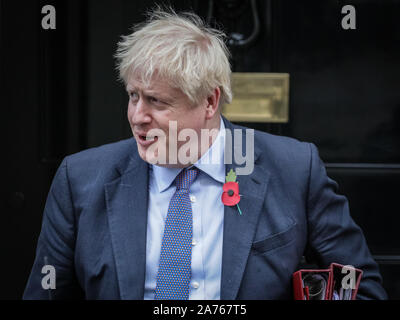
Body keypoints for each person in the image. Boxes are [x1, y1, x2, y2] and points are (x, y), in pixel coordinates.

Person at [23, 8, 387, 300]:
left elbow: (360, 285)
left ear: (210, 101)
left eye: (156, 101)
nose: (137, 116)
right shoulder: (81, 178)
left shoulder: (293, 169)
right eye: (133, 96)